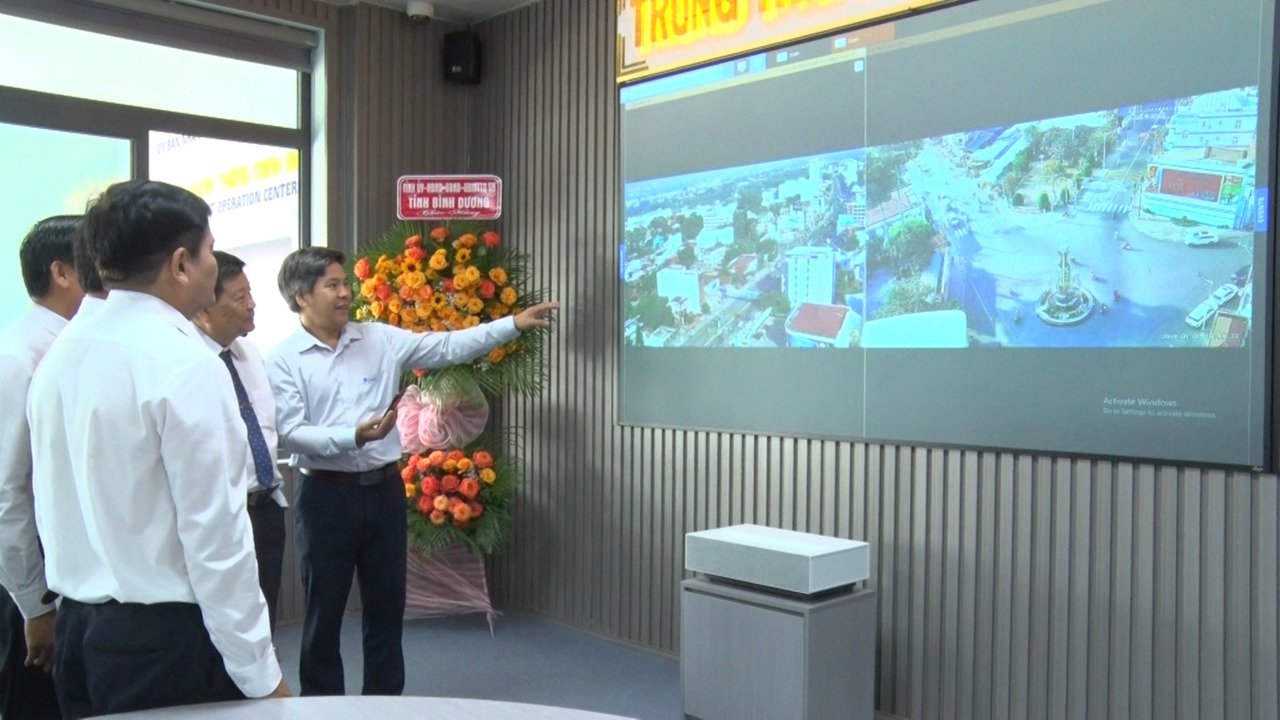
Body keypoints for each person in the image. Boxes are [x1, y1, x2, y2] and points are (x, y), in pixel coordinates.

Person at [27, 180, 290, 718]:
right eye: (209, 249)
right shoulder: (185, 365)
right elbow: (216, 541)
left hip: (79, 632)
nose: (214, 263)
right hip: (163, 644)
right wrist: (262, 675)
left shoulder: (61, 355)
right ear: (181, 265)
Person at [267, 246, 558, 696]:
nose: (345, 293)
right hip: (324, 497)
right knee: (323, 613)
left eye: (346, 283)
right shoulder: (283, 359)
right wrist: (352, 436)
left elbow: (447, 346)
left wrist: (512, 324)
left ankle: (385, 705)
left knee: (386, 609)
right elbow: (290, 433)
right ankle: (322, 707)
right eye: (332, 285)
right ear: (301, 297)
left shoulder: (380, 339)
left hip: (384, 491)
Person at [0, 215, 84, 720]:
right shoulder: (20, 356)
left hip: (73, 576)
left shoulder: (79, 344)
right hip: (33, 581)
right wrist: (34, 604)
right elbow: (8, 491)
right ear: (61, 272)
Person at [193, 251, 287, 631]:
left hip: (266, 509)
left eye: (250, 292)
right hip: (224, 516)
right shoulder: (190, 364)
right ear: (205, 309)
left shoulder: (249, 353)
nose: (252, 304)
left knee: (265, 622)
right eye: (239, 296)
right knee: (224, 628)